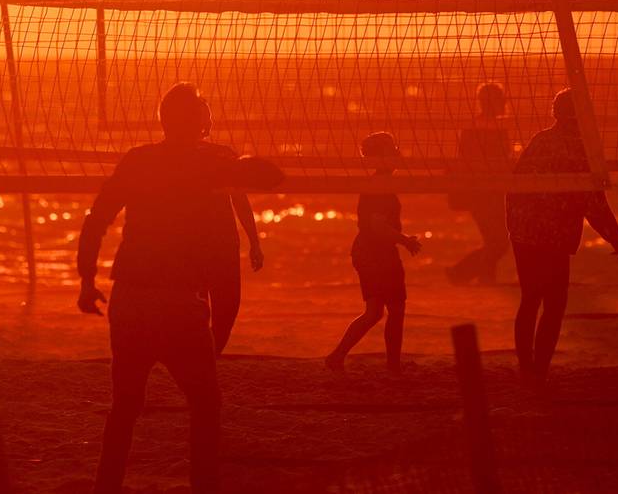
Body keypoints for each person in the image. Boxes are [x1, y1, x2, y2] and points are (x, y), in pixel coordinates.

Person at [76, 83, 284, 494]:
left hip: (130, 297)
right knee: (206, 405)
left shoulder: (138, 160)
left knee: (125, 407)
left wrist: (86, 280)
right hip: (179, 303)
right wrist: (240, 165)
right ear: (202, 121)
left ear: (164, 121)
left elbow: (97, 218)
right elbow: (270, 178)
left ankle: (107, 486)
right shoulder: (215, 161)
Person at [506, 88, 618, 386]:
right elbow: (591, 200)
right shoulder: (582, 147)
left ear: (555, 113)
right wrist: (613, 234)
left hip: (524, 232)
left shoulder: (540, 140)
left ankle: (527, 368)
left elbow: (513, 186)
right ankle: (540, 371)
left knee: (530, 299)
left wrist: (513, 226)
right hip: (553, 235)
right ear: (581, 114)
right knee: (554, 304)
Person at [326, 132, 422, 374]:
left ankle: (337, 356)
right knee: (394, 310)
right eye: (392, 149)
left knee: (375, 312)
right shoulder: (379, 186)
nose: (398, 153)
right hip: (375, 253)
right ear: (381, 157)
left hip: (369, 252)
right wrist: (405, 240)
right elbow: (377, 225)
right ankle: (393, 367)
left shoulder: (381, 183)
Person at [198, 100, 264, 355]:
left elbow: (239, 199)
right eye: (206, 116)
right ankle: (203, 358)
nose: (211, 121)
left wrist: (254, 242)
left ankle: (207, 355)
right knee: (205, 307)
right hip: (198, 244)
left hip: (218, 242)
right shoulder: (175, 158)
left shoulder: (223, 154)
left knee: (224, 307)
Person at [446, 82, 512, 285]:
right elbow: (500, 158)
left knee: (495, 240)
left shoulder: (472, 127)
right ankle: (462, 273)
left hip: (481, 190)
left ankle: (477, 276)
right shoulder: (496, 129)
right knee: (498, 241)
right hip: (487, 190)